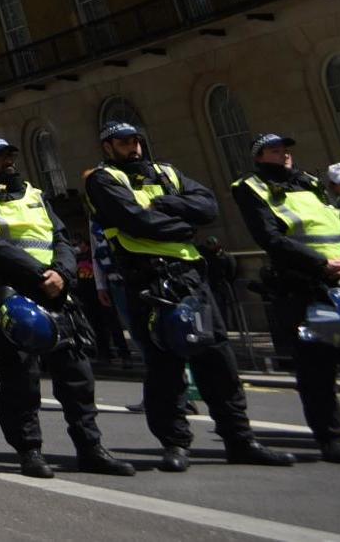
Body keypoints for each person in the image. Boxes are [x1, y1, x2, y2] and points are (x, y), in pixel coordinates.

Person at [83, 120, 292, 471]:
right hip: (146, 279)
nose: (132, 147)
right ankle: (175, 443)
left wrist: (163, 205)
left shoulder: (166, 172)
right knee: (164, 363)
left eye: (135, 140)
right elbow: (135, 221)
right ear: (108, 147)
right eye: (122, 142)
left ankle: (239, 439)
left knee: (218, 359)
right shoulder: (103, 179)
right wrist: (183, 224)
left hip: (190, 275)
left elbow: (208, 206)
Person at [0, 136, 134, 478]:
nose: (7, 159)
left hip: (55, 291)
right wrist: (40, 274)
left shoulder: (35, 194)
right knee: (21, 379)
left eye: (9, 153)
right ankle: (30, 451)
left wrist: (63, 273)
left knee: (77, 376)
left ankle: (90, 447)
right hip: (12, 292)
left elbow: (61, 236)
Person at [230, 131, 340, 463]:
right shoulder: (251, 188)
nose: (283, 153)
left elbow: (339, 222)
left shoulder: (309, 182)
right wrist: (321, 264)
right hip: (306, 287)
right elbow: (270, 237)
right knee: (317, 367)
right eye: (273, 149)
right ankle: (331, 437)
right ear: (258, 156)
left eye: (284, 148)